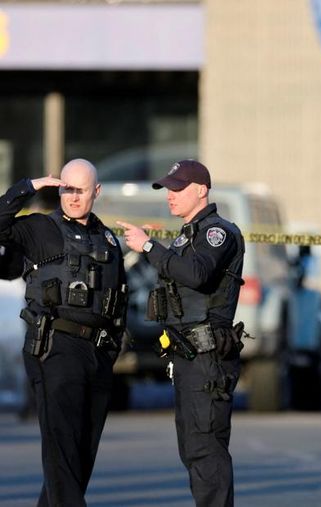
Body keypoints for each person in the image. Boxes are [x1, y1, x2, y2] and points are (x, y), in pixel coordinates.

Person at [0, 159, 128, 506]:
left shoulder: (107, 238)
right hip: (56, 348)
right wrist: (27, 188)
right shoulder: (41, 228)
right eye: (66, 189)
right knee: (63, 455)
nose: (72, 197)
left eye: (80, 190)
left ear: (96, 191)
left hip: (97, 354)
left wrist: (111, 352)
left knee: (81, 457)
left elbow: (118, 298)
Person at [117, 159, 245, 507]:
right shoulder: (187, 235)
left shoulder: (218, 232)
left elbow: (197, 274)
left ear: (201, 190)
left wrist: (149, 247)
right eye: (168, 189)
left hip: (208, 357)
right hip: (188, 356)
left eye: (178, 188)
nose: (170, 195)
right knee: (192, 447)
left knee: (206, 449)